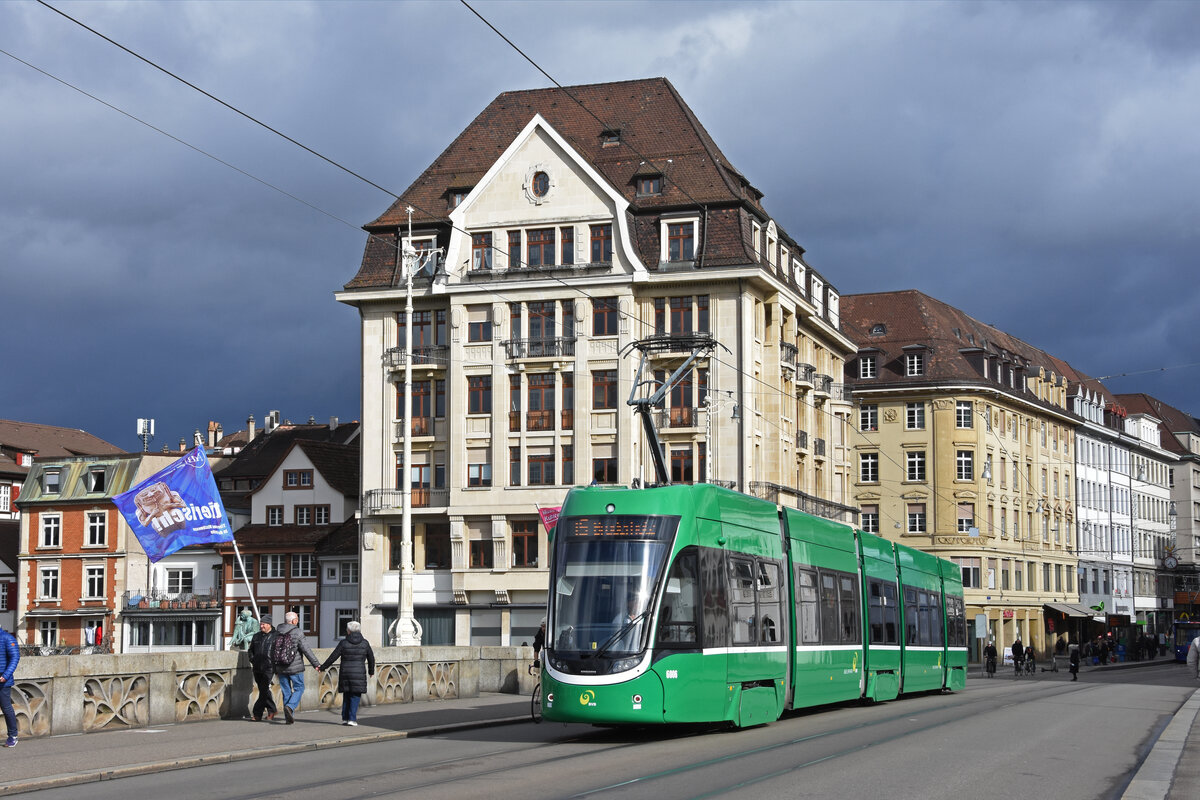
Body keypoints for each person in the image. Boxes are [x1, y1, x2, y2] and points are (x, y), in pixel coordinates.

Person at [318, 621, 375, 726]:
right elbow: (371, 658)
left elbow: (333, 657)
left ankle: (345, 718)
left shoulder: (343, 643)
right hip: (359, 672)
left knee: (347, 694)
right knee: (355, 696)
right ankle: (352, 719)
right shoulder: (365, 643)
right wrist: (371, 671)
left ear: (348, 631)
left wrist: (322, 667)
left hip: (346, 672)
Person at [273, 611, 321, 724]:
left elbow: (272, 650)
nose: (298, 621)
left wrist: (274, 667)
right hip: (295, 667)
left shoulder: (277, 632)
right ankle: (290, 707)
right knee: (299, 688)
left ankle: (288, 718)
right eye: (297, 619)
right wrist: (316, 664)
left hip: (280, 667)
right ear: (294, 621)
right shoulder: (297, 632)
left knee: (286, 691)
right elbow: (306, 649)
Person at [247, 615, 278, 722]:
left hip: (269, 667)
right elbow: (250, 650)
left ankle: (257, 713)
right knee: (263, 690)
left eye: (263, 624)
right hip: (257, 667)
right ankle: (272, 709)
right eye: (261, 623)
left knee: (263, 690)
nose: (261, 626)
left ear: (269, 624)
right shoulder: (256, 636)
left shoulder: (276, 636)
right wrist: (253, 659)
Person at [0, 622, 19, 748]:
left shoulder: (7, 638)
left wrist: (5, 676)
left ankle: (13, 736)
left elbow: (15, 657)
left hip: (3, 680)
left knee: (6, 708)